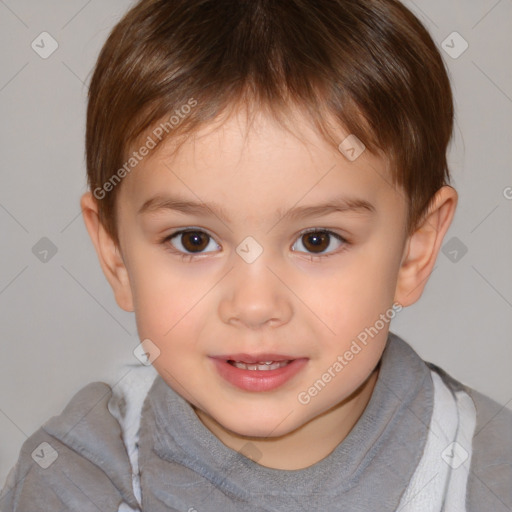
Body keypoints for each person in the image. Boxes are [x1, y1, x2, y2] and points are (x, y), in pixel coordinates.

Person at [1, 0, 511, 510]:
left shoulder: (489, 474)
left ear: (412, 252)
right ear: (116, 255)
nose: (254, 305)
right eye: (193, 240)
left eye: (317, 240)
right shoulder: (73, 480)